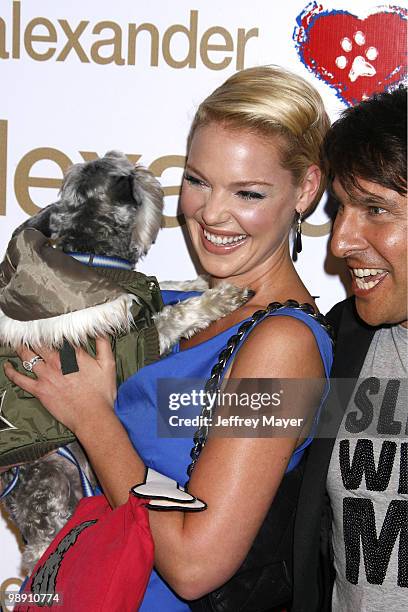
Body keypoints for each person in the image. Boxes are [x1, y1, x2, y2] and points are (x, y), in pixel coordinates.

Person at [4, 66, 333, 611]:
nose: (211, 213)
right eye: (198, 180)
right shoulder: (172, 308)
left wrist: (92, 417)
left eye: (248, 192)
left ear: (306, 190)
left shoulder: (285, 349)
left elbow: (194, 565)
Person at [292, 86, 407, 611]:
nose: (340, 242)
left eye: (376, 209)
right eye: (341, 206)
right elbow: (221, 423)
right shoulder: (341, 342)